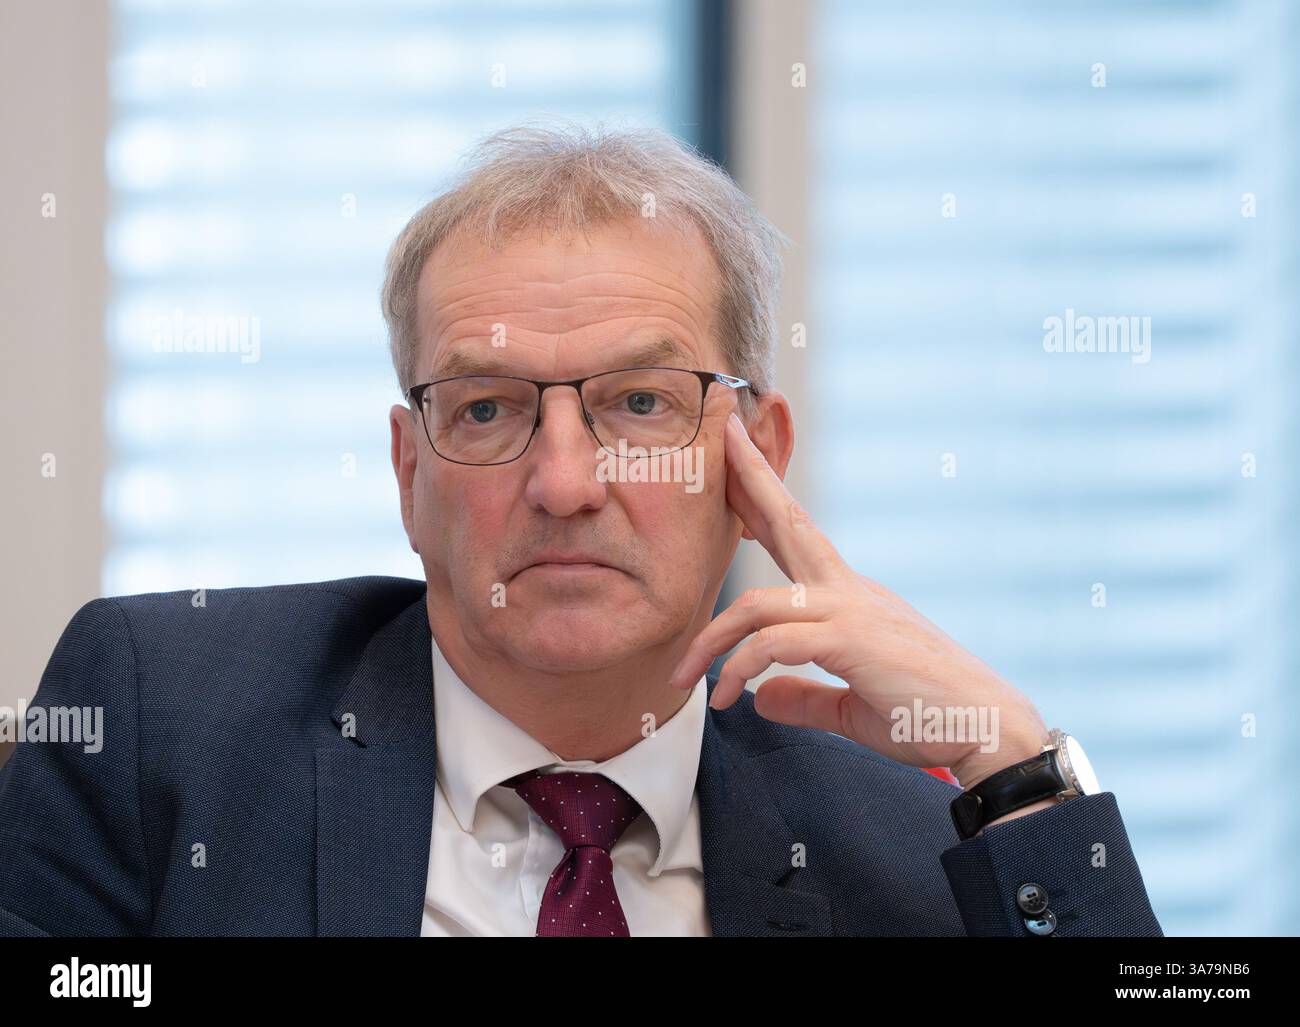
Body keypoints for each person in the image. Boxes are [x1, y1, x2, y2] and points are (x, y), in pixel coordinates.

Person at [0, 122, 1161, 937]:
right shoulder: (164, 727)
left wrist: (1017, 772)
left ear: (756, 459)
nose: (563, 483)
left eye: (641, 403)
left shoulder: (917, 837)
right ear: (409, 473)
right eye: (487, 409)